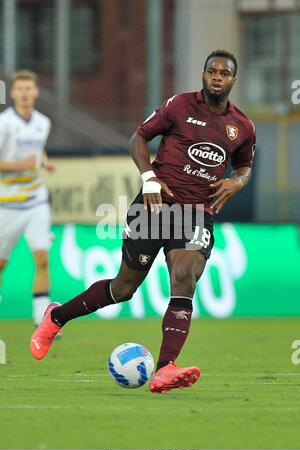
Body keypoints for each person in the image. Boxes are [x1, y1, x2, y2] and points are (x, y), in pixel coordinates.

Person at [31, 50, 255, 394]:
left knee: (185, 279)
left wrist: (237, 181)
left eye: (225, 73)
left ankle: (165, 368)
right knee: (123, 288)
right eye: (212, 70)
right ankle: (56, 318)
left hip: (196, 212)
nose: (217, 77)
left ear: (233, 81)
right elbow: (138, 137)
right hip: (154, 206)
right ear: (203, 74)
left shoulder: (242, 127)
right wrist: (149, 176)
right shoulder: (179, 106)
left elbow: (243, 167)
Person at [0, 70, 55, 327]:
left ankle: (42, 319)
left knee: (42, 258)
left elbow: (37, 147)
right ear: (12, 93)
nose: (24, 93)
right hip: (6, 204)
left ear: (35, 92)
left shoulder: (43, 122)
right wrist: (18, 164)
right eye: (19, 89)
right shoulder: (4, 124)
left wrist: (44, 162)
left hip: (35, 201)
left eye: (28, 88)